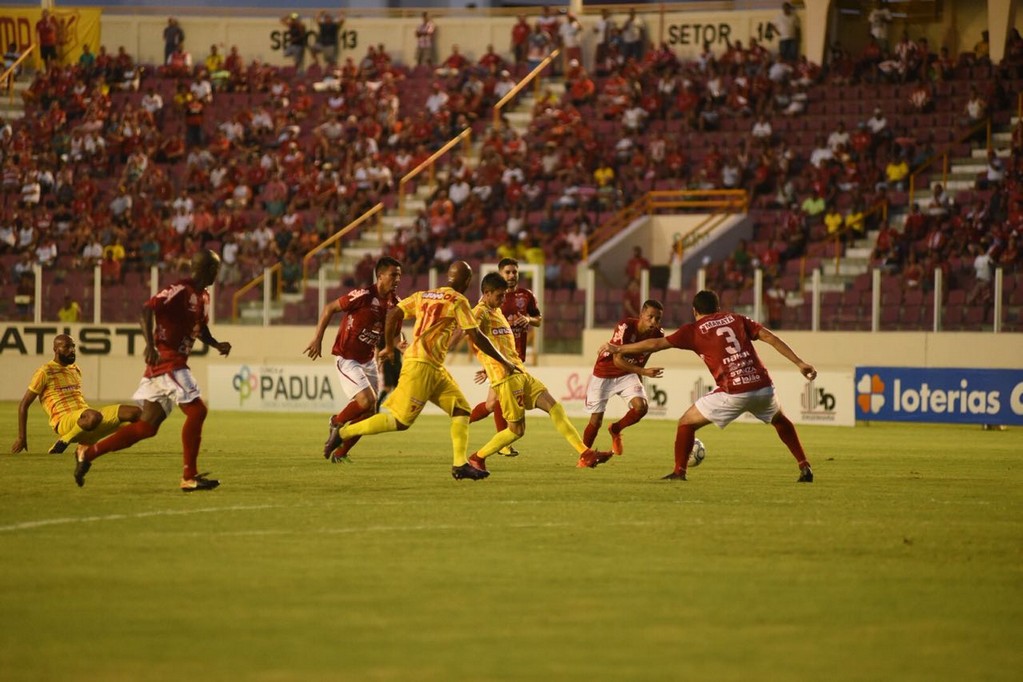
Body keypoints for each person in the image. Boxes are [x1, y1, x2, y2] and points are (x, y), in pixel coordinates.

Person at [599, 289, 815, 482]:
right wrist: (799, 362)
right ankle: (804, 464)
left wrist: (619, 349)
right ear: (718, 308)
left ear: (694, 311)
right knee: (780, 420)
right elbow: (769, 337)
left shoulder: (693, 330)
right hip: (762, 386)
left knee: (686, 423)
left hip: (733, 392)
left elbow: (655, 344)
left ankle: (679, 471)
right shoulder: (737, 318)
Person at [335, 261, 519, 481]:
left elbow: (394, 313)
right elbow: (476, 335)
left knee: (461, 410)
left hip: (433, 367)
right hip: (422, 364)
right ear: (468, 282)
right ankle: (343, 432)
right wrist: (504, 361)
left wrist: (389, 345)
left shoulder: (425, 294)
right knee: (400, 422)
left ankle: (460, 464)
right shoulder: (459, 301)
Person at [73, 250, 232, 491]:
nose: (217, 274)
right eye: (215, 269)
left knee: (147, 427)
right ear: (206, 269)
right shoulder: (180, 289)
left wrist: (216, 343)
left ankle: (88, 452)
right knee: (197, 411)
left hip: (171, 364)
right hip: (167, 361)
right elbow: (147, 310)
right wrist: (150, 344)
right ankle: (189, 476)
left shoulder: (204, 297)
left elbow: (200, 329)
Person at [467, 273, 612, 472]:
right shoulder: (479, 312)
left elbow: (497, 343)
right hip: (505, 377)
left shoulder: (496, 311)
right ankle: (477, 458)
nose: (503, 300)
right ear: (487, 293)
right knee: (516, 431)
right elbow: (472, 334)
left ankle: (585, 453)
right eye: (500, 296)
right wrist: (492, 362)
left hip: (520, 372)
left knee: (555, 407)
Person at [306, 257, 403, 462]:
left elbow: (395, 337)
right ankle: (336, 422)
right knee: (366, 400)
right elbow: (329, 308)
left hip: (368, 360)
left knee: (370, 413)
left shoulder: (396, 305)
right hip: (347, 357)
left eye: (399, 275)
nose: (397, 279)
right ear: (380, 276)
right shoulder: (364, 296)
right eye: (393, 275)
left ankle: (340, 454)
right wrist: (317, 338)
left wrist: (399, 346)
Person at [12, 335, 142, 456]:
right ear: (56, 349)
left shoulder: (75, 369)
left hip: (87, 417)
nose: (72, 350)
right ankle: (64, 441)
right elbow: (24, 405)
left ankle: (87, 443)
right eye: (67, 347)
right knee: (93, 416)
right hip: (64, 420)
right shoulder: (45, 372)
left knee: (136, 414)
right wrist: (21, 437)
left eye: (73, 346)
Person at [467, 258, 541, 457]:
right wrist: (486, 361)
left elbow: (539, 320)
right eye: (507, 272)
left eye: (514, 272)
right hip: (501, 361)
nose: (511, 275)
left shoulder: (526, 296)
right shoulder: (490, 303)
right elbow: (475, 334)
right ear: (499, 275)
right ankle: (504, 443)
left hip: (516, 358)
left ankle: (462, 420)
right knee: (498, 400)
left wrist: (529, 320)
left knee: (492, 404)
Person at [583, 300, 665, 458]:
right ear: (641, 315)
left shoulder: (658, 334)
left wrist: (640, 375)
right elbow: (617, 361)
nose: (654, 322)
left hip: (627, 374)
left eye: (658, 319)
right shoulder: (626, 326)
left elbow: (644, 356)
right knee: (596, 421)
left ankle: (615, 429)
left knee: (641, 407)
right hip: (604, 373)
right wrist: (643, 371)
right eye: (650, 317)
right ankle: (584, 456)